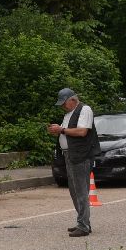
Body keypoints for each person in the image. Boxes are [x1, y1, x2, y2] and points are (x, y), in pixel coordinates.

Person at [48, 87, 98, 237]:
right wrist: (59, 130)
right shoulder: (69, 113)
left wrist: (61, 130)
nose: (63, 106)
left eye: (64, 103)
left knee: (81, 190)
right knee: (74, 190)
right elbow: (67, 132)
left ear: (73, 100)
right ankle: (83, 223)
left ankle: (83, 225)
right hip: (70, 155)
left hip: (80, 155)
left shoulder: (85, 109)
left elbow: (82, 132)